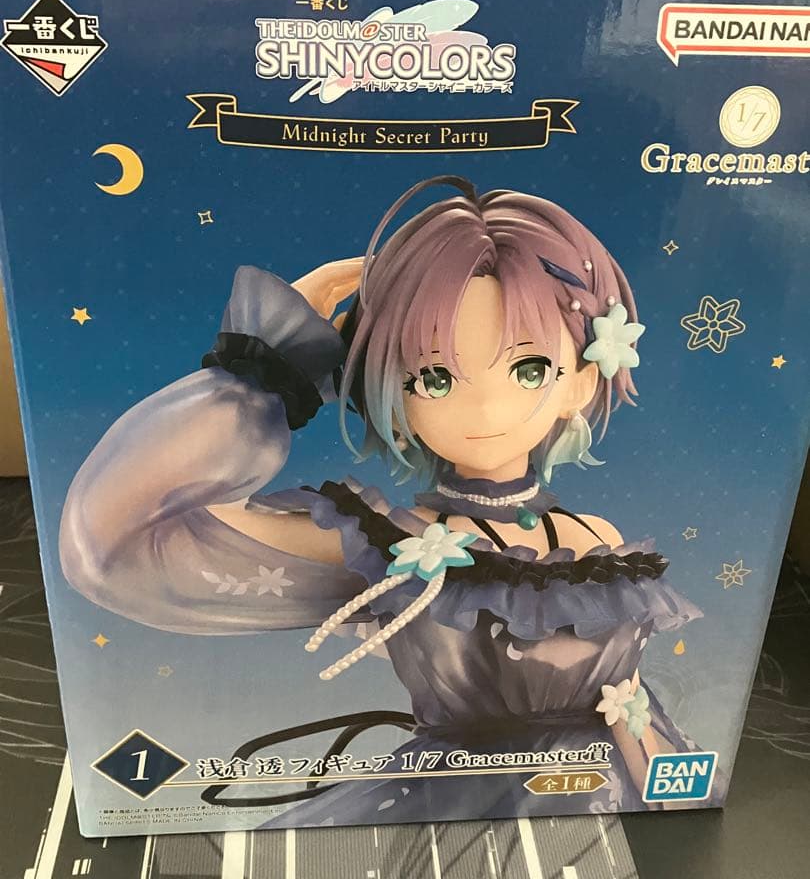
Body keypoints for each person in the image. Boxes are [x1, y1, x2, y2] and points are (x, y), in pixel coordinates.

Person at [60, 175, 711, 822]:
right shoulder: (390, 544)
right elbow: (113, 538)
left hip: (599, 801)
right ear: (390, 389)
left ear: (581, 381)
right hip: (459, 809)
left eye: (530, 369)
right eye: (435, 376)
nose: (485, 407)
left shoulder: (600, 542)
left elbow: (628, 703)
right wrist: (269, 364)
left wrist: (671, 793)